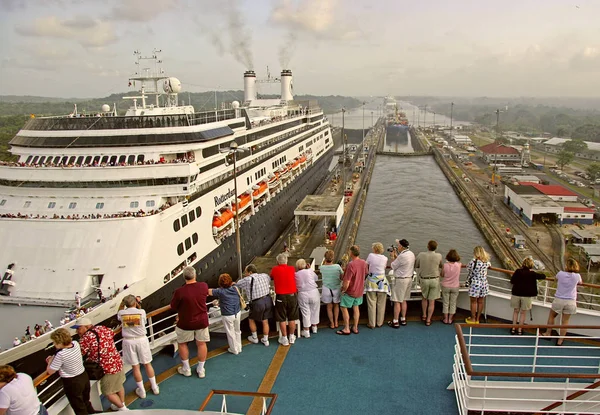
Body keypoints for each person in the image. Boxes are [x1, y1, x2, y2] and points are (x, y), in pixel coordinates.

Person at [74, 318, 128, 411]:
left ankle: (123, 409)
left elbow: (80, 353)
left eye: (79, 328)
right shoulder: (103, 328)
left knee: (108, 392)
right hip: (117, 361)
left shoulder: (86, 337)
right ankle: (121, 404)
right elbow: (112, 334)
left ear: (86, 326)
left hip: (106, 368)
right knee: (119, 385)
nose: (77, 331)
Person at [117, 295, 159, 399]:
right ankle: (154, 387)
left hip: (129, 342)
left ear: (125, 304)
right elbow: (142, 319)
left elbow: (119, 311)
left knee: (135, 367)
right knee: (147, 364)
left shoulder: (122, 313)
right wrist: (138, 305)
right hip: (141, 340)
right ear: (135, 302)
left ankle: (142, 391)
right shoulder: (142, 312)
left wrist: (122, 304)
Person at [46, 328, 97, 414]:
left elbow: (51, 371)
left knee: (79, 407)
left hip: (72, 382)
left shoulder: (61, 354)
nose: (54, 344)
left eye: (54, 342)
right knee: (86, 401)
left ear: (60, 342)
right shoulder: (75, 343)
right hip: (83, 376)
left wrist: (50, 361)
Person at [170, 266, 209, 378]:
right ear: (195, 275)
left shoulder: (179, 292)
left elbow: (173, 306)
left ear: (184, 277)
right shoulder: (203, 286)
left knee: (182, 344)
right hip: (201, 321)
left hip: (185, 322)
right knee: (201, 343)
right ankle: (201, 369)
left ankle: (186, 369)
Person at [543, 258, 582, 346]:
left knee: (552, 316)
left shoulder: (560, 274)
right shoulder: (577, 276)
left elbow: (555, 279)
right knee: (565, 321)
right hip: (570, 301)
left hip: (559, 299)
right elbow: (581, 283)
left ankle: (548, 333)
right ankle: (560, 341)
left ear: (567, 266)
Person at [236, 264, 273, 347]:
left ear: (250, 272)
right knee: (265, 320)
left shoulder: (248, 280)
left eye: (246, 272)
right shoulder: (265, 275)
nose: (245, 274)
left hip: (257, 302)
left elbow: (238, 284)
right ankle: (266, 339)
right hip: (267, 300)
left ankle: (254, 337)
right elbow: (270, 279)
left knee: (251, 319)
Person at [509, 257, 546, 335]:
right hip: (526, 296)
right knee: (523, 312)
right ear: (531, 265)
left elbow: (512, 281)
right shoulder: (532, 274)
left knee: (516, 311)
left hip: (516, 293)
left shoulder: (518, 271)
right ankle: (519, 330)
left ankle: (513, 328)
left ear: (523, 264)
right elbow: (543, 276)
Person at [337, 245, 368, 335]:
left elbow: (347, 281)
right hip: (359, 290)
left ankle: (346, 328)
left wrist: (343, 290)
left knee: (343, 307)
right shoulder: (364, 262)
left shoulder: (351, 264)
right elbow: (365, 274)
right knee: (356, 308)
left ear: (351, 253)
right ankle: (355, 327)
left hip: (350, 291)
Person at [208, 274, 242, 355]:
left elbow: (209, 291)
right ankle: (239, 347)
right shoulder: (235, 287)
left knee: (230, 333)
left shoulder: (220, 291)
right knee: (237, 330)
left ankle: (234, 349)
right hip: (237, 312)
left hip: (228, 314)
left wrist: (217, 289)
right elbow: (235, 284)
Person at [270, 253, 299, 346]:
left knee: (281, 318)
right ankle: (291, 336)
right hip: (292, 296)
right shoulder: (292, 269)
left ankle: (284, 338)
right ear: (286, 261)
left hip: (280, 297)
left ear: (277, 262)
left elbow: (271, 277)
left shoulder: (275, 269)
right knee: (292, 317)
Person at [388, 239, 415, 328]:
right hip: (409, 279)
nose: (397, 247)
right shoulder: (411, 254)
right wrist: (397, 256)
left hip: (400, 280)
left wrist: (392, 256)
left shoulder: (402, 256)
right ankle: (403, 319)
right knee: (404, 300)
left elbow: (393, 266)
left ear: (402, 247)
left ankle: (395, 321)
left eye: (398, 245)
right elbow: (401, 262)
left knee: (397, 301)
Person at [415, 240, 443, 326]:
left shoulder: (421, 255)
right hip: (435, 279)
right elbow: (441, 266)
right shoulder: (439, 256)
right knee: (432, 301)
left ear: (428, 246)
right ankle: (428, 319)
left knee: (424, 298)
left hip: (424, 279)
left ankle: (424, 315)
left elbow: (416, 265)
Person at [364, 242, 390, 328]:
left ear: (374, 249)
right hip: (382, 282)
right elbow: (384, 267)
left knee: (371, 303)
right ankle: (379, 322)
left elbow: (366, 266)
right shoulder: (385, 258)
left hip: (372, 281)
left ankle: (372, 323)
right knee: (381, 303)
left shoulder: (371, 256)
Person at [294, 259, 320, 338]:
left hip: (302, 294)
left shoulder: (295, 274)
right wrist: (310, 269)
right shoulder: (310, 271)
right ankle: (314, 327)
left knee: (305, 312)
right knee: (315, 310)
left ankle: (306, 331)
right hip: (314, 292)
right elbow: (316, 278)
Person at [465, 246, 491, 324]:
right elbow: (489, 265)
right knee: (480, 301)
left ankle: (473, 318)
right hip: (484, 283)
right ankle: (478, 319)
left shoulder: (473, 262)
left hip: (475, 283)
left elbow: (468, 268)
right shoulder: (486, 262)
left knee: (473, 302)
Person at [319, 250, 343, 329]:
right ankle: (336, 322)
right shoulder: (337, 267)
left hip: (326, 289)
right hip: (336, 288)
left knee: (329, 307)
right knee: (336, 305)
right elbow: (342, 276)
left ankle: (332, 323)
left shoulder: (321, 267)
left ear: (325, 258)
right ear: (333, 258)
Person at [440, 249, 461, 325]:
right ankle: (450, 319)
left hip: (445, 286)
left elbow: (442, 275)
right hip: (455, 286)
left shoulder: (445, 265)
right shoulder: (459, 265)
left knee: (445, 302)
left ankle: (445, 319)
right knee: (453, 303)